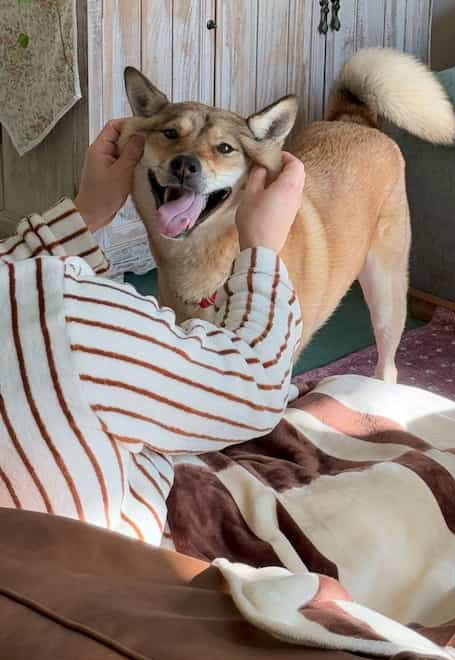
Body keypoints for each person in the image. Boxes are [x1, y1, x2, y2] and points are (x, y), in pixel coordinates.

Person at [0, 120, 305, 545]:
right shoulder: (78, 326)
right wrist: (262, 250)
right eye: (171, 137)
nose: (189, 157)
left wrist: (85, 211)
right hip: (89, 575)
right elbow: (258, 385)